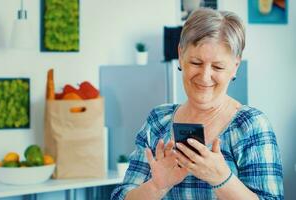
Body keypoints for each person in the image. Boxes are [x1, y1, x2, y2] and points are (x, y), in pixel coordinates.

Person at [111, 8, 284, 200]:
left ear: (235, 66)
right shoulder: (158, 121)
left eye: (217, 66)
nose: (204, 76)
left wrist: (222, 179)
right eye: (195, 62)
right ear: (180, 55)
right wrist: (157, 186)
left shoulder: (251, 125)